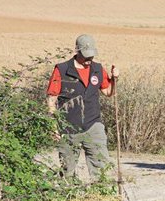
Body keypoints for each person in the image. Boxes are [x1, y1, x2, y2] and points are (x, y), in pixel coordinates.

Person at [46, 34, 118, 180]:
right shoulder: (62, 70)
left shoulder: (98, 69)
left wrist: (115, 79)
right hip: (68, 128)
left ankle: (100, 192)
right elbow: (51, 100)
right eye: (86, 55)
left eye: (91, 55)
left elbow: (108, 92)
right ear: (77, 51)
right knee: (67, 170)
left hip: (93, 125)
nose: (89, 59)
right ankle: (67, 191)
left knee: (102, 168)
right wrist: (53, 126)